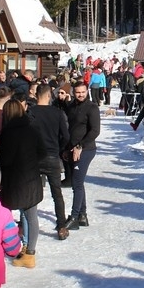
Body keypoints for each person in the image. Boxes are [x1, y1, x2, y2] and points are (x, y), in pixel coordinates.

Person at [0, 100, 46, 268]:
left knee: (5, 214)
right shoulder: (32, 128)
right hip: (32, 177)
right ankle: (30, 252)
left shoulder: (7, 133)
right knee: (31, 216)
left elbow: (6, 159)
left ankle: (9, 246)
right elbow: (43, 151)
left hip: (15, 180)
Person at [28, 84, 71, 239]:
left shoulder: (30, 112)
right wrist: (59, 148)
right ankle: (61, 226)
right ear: (48, 96)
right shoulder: (57, 113)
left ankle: (23, 224)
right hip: (52, 156)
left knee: (31, 192)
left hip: (33, 157)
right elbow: (66, 136)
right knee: (56, 193)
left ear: (36, 95)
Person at [64, 81, 100, 230]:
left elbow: (95, 131)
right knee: (77, 182)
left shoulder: (92, 108)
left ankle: (74, 216)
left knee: (76, 184)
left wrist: (80, 146)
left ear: (87, 91)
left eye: (82, 92)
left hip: (86, 149)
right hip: (72, 148)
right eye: (77, 92)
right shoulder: (71, 106)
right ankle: (83, 215)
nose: (80, 95)